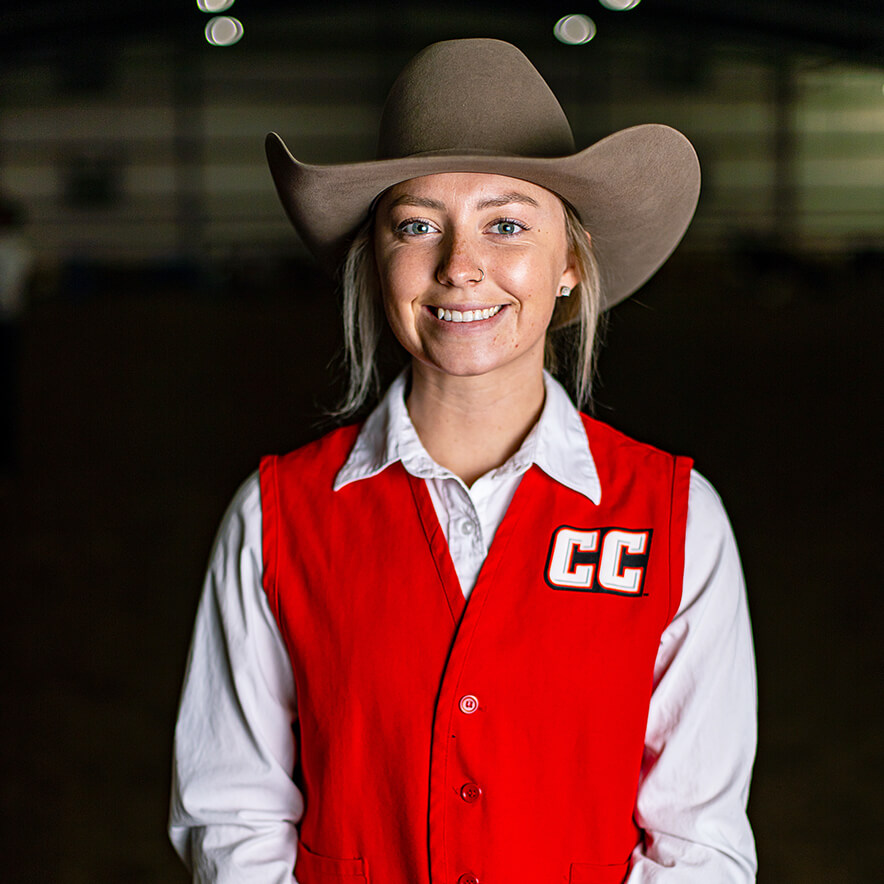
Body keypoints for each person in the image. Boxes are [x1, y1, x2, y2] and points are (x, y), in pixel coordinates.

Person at [168, 38, 757, 884]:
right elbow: (232, 815)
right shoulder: (275, 517)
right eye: (417, 225)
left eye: (507, 224)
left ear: (569, 263)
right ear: (377, 260)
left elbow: (698, 840)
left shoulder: (676, 518)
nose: (461, 267)